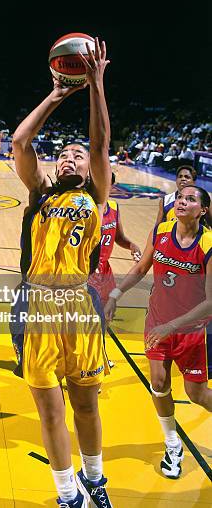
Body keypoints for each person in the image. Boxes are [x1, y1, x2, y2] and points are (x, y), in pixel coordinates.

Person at [10, 38, 113, 507]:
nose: (71, 158)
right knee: (50, 408)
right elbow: (19, 142)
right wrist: (56, 94)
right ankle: (67, 494)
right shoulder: (41, 195)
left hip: (80, 303)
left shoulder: (95, 194)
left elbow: (100, 143)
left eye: (76, 155)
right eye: (64, 155)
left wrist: (95, 86)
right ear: (54, 168)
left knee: (86, 403)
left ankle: (95, 481)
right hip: (39, 306)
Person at [105, 185, 211, 479]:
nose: (182, 201)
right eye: (180, 197)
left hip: (190, 331)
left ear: (202, 210)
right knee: (159, 382)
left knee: (197, 394)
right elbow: (141, 268)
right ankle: (172, 443)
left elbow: (211, 301)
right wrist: (115, 294)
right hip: (157, 322)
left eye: (190, 199)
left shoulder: (208, 244)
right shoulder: (162, 230)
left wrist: (172, 326)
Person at [88, 174, 142, 306]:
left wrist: (131, 245)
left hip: (105, 269)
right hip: (87, 269)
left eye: (105, 183)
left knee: (108, 308)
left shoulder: (113, 207)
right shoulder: (85, 208)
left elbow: (118, 237)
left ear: (111, 186)